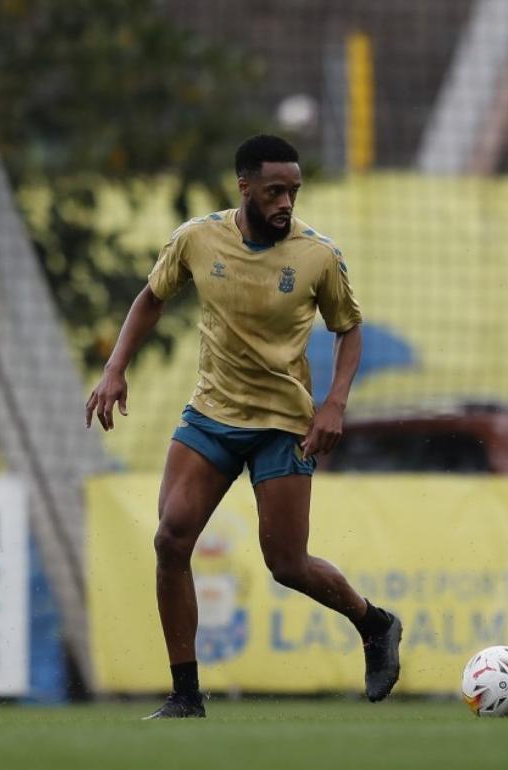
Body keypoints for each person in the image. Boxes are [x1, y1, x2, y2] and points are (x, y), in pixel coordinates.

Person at [86, 135, 401, 719]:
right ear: (245, 187)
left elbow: (349, 328)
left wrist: (334, 403)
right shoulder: (197, 238)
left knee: (286, 565)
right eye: (276, 191)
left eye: (294, 191)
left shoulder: (317, 255)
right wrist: (115, 369)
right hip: (211, 415)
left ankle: (374, 622)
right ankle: (185, 695)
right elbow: (150, 300)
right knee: (170, 539)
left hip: (284, 424)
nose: (286, 202)